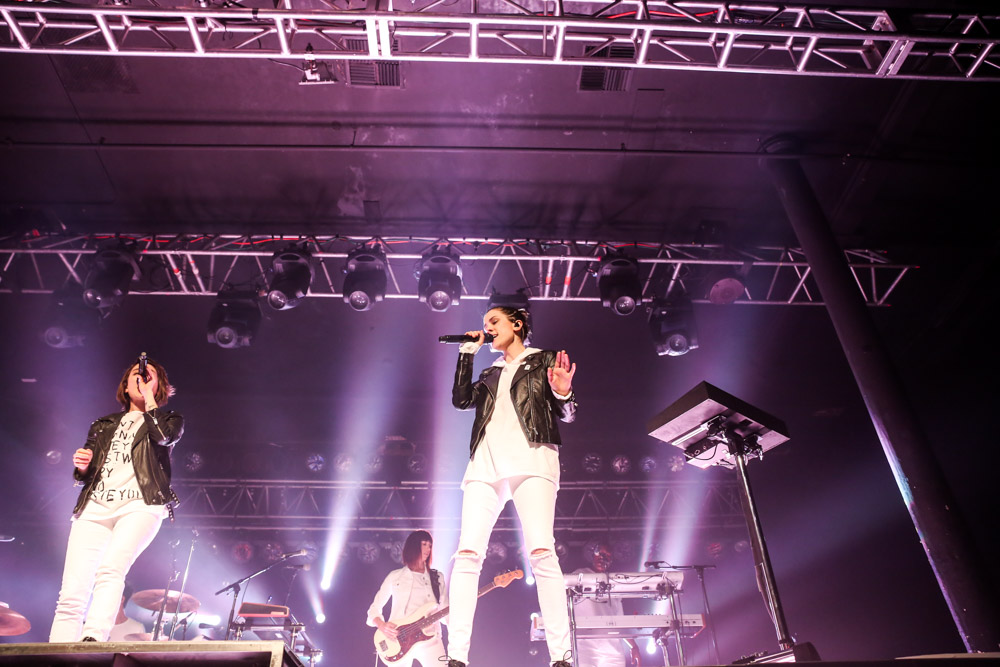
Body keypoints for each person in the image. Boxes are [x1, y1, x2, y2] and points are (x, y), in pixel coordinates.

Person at [447, 306, 577, 667]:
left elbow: (568, 413)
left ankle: (561, 656)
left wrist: (563, 392)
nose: (487, 328)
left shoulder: (544, 359)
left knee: (541, 554)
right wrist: (466, 354)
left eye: (494, 322)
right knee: (467, 556)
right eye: (484, 324)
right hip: (485, 463)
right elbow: (461, 400)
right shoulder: (490, 371)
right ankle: (456, 657)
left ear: (517, 324)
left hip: (532, 459)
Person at [49, 357, 183, 643]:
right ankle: (57, 652)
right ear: (125, 384)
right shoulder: (103, 424)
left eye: (149, 375)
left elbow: (162, 437)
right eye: (136, 373)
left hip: (140, 505)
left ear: (159, 386)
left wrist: (148, 398)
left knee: (110, 569)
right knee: (72, 590)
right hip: (95, 507)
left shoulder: (170, 419)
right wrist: (82, 465)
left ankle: (93, 639)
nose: (142, 377)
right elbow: (86, 473)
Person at [367, 530, 449, 667]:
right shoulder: (395, 576)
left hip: (430, 638)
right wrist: (382, 625)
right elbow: (374, 609)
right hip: (398, 638)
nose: (428, 549)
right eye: (424, 544)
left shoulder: (437, 577)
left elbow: (446, 611)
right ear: (413, 546)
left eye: (430, 545)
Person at [571, 544, 641, 667]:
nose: (602, 558)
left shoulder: (614, 582)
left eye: (607, 555)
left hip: (613, 652)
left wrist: (634, 646)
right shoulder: (580, 574)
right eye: (600, 553)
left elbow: (621, 622)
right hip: (586, 649)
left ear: (611, 560)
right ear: (593, 555)